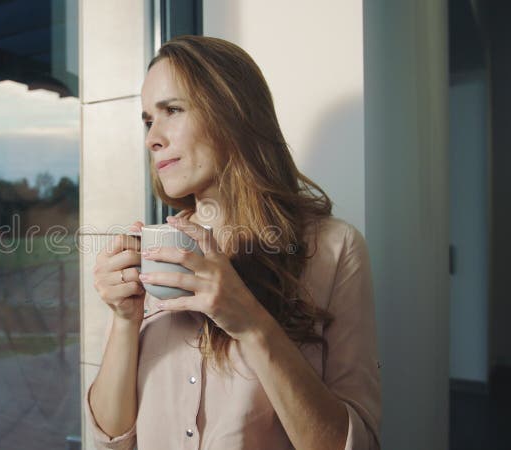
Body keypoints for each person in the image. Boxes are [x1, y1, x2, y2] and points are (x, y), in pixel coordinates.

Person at [86, 35, 381, 450]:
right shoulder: (156, 249)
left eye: (172, 110)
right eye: (148, 120)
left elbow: (355, 444)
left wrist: (251, 322)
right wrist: (123, 318)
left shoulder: (336, 249)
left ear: (232, 112)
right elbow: (112, 439)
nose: (152, 138)